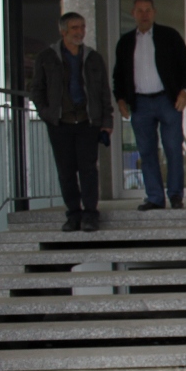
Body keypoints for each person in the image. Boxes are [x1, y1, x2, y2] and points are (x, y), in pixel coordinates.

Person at [29, 12, 113, 232]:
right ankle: (73, 214)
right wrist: (47, 114)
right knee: (66, 171)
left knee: (88, 170)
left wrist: (107, 121)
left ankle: (90, 214)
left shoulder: (93, 58)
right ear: (63, 31)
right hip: (60, 123)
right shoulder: (47, 57)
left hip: (87, 122)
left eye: (82, 27)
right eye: (75, 27)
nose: (80, 32)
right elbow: (37, 90)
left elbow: (104, 92)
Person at [112, 0, 186, 211]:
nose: (144, 14)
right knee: (147, 151)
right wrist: (120, 99)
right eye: (140, 10)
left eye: (148, 10)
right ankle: (155, 197)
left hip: (167, 100)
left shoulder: (169, 36)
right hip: (140, 103)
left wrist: (185, 91)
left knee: (173, 148)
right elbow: (118, 75)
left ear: (154, 12)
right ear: (133, 13)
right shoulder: (125, 42)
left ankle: (175, 195)